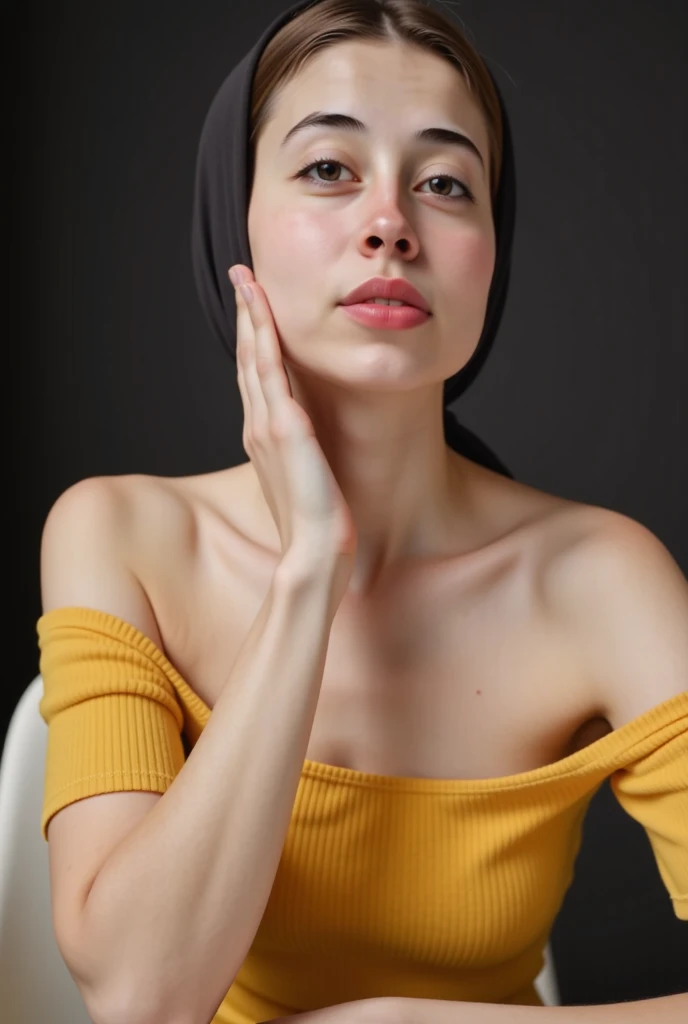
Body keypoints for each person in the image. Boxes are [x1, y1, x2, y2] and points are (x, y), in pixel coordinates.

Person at [36, 2, 688, 1023]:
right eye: (329, 170)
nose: (390, 222)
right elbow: (141, 1001)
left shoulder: (601, 576)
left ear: (492, 250)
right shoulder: (123, 538)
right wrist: (309, 573)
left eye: (443, 183)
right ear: (231, 221)